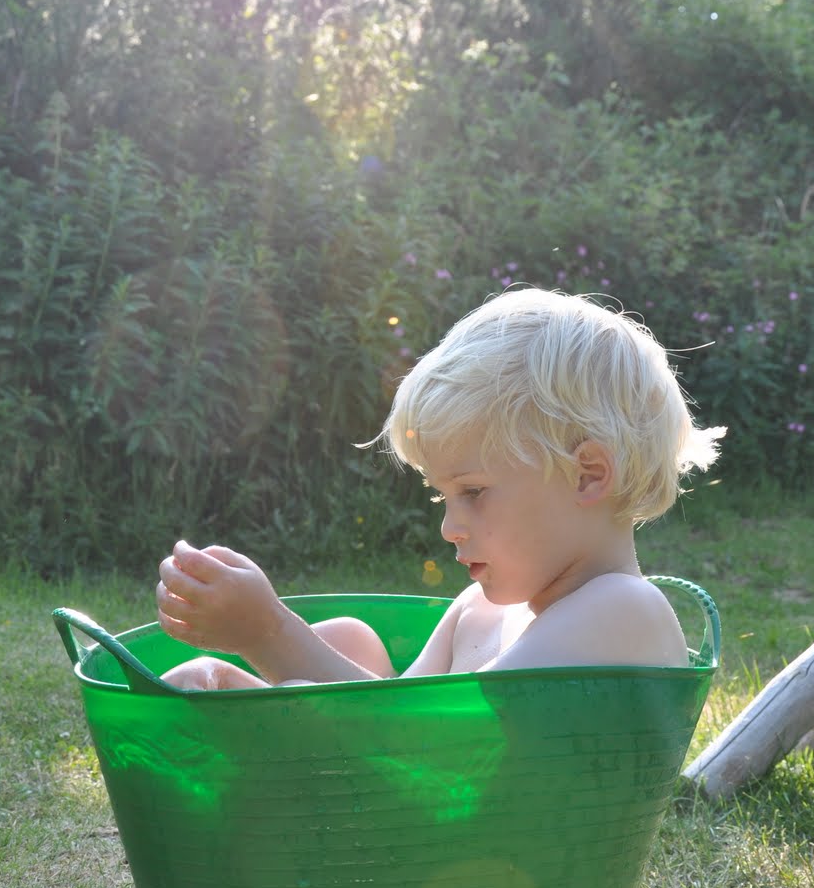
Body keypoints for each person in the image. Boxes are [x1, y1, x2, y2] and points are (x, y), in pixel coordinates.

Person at [156, 288, 724, 690]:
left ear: (588, 475)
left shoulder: (623, 609)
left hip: (504, 857)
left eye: (473, 492)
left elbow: (421, 748)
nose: (449, 527)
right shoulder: (475, 611)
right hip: (425, 842)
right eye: (442, 497)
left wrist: (266, 633)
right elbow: (391, 722)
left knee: (204, 686)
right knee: (351, 640)